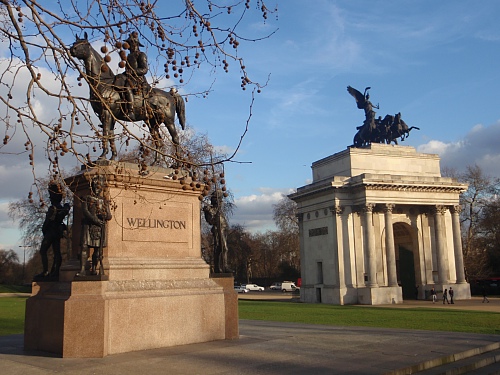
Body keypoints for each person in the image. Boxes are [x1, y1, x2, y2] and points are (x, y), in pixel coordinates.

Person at [34, 182, 71, 280]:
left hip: (51, 232)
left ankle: (46, 271)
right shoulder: (62, 208)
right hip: (57, 231)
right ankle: (55, 271)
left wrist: (44, 230)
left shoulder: (53, 208)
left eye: (50, 196)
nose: (49, 198)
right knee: (57, 252)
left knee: (43, 250)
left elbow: (47, 222)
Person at [77, 176, 112, 276]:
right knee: (84, 247)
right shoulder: (86, 198)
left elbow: (109, 215)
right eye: (95, 186)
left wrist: (105, 216)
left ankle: (94, 269)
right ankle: (82, 269)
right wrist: (96, 220)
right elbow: (85, 211)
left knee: (97, 250)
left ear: (101, 188)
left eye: (99, 186)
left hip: (99, 227)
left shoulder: (105, 201)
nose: (97, 188)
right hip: (88, 225)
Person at [116, 32, 149, 121]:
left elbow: (144, 69)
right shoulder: (129, 56)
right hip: (129, 77)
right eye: (129, 44)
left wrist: (133, 72)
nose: (129, 46)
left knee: (127, 87)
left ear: (136, 44)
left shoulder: (141, 55)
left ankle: (131, 111)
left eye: (131, 44)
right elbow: (127, 70)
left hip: (138, 79)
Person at [202, 191, 229, 273]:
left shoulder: (219, 209)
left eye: (221, 200)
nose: (221, 202)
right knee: (223, 248)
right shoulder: (211, 210)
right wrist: (208, 212)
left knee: (219, 249)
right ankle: (224, 267)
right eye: (219, 200)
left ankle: (219, 268)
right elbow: (210, 221)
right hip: (218, 229)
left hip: (224, 229)